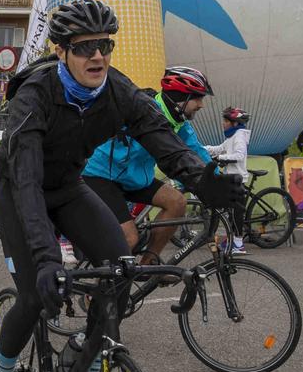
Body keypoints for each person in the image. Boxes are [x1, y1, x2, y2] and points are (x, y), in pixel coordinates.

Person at [0, 0, 241, 372]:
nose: (98, 56)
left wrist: (203, 181)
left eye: (105, 45)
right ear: (61, 51)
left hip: (68, 187)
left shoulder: (117, 91)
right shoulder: (35, 95)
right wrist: (46, 256)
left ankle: (82, 368)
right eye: (85, 48)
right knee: (34, 294)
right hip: (18, 191)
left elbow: (165, 142)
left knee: (121, 270)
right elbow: (27, 181)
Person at [82, 65, 213, 260]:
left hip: (133, 179)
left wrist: (220, 181)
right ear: (181, 97)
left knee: (177, 202)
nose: (201, 105)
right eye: (197, 98)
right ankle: (105, 290)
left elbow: (197, 153)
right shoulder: (143, 108)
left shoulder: (180, 123)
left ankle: (149, 264)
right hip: (102, 175)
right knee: (129, 238)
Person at [210, 106, 253, 254]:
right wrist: (200, 148)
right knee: (231, 210)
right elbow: (219, 148)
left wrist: (220, 158)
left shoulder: (239, 136)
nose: (223, 123)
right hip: (230, 178)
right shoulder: (232, 136)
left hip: (236, 179)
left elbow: (239, 155)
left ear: (234, 123)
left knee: (236, 213)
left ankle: (238, 245)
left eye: (225, 121)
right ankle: (233, 239)